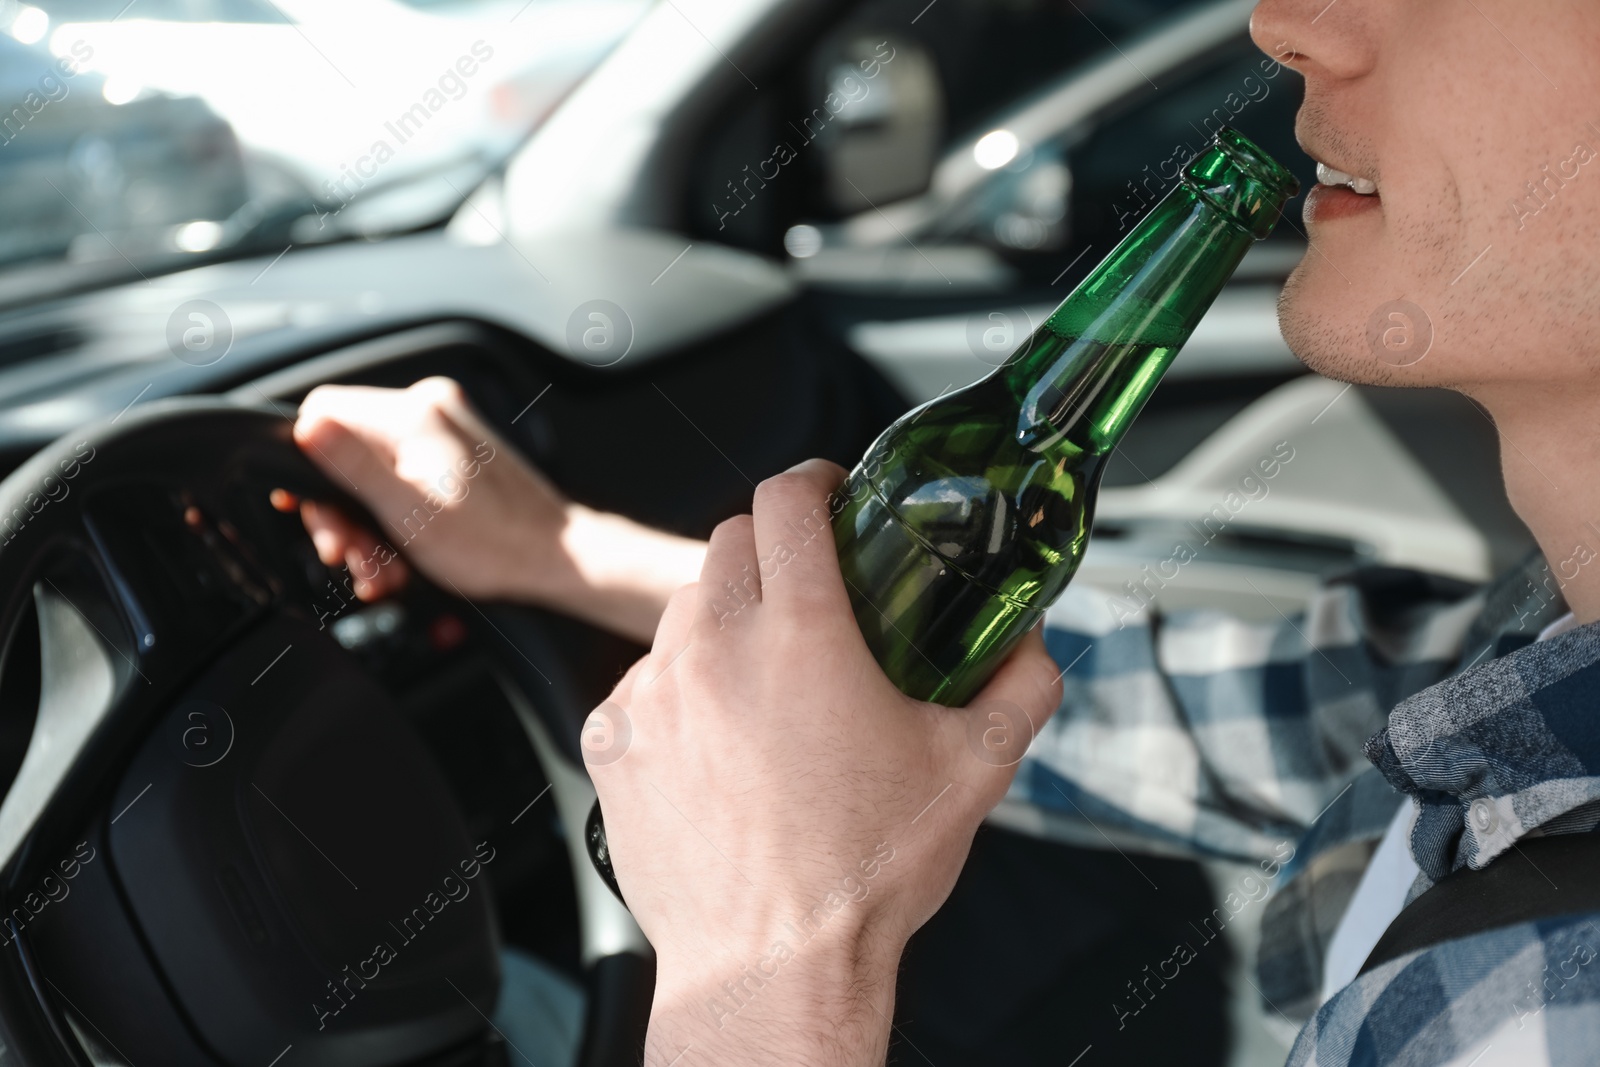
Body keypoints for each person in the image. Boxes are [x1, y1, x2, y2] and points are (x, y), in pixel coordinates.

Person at [287, 0, 1600, 1062]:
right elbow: (1159, 710)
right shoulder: (1536, 645)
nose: (1282, 22)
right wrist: (557, 551)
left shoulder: (1537, 1006)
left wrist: (770, 970)